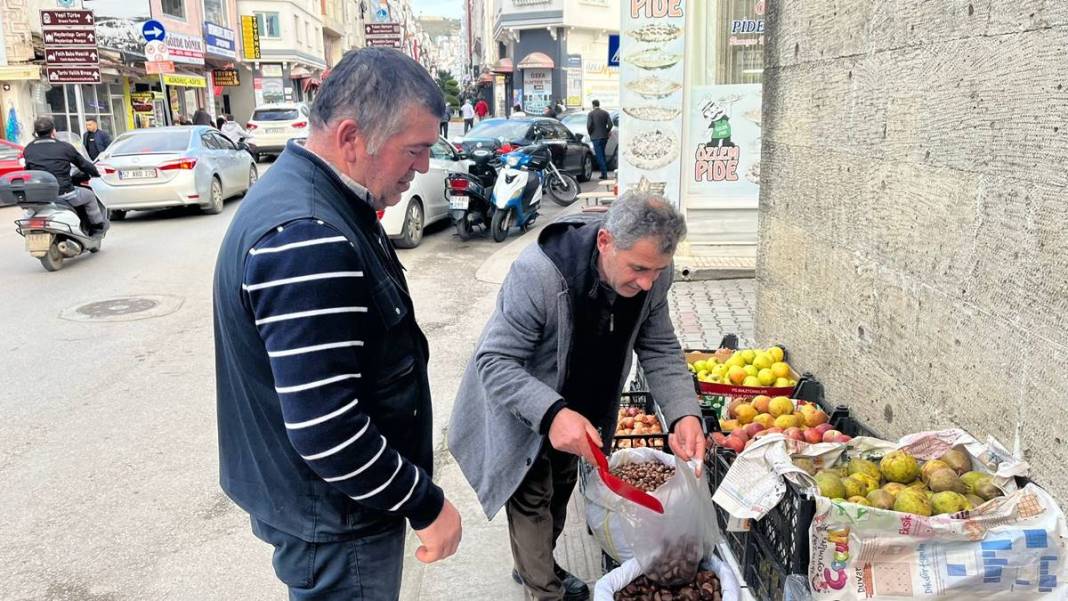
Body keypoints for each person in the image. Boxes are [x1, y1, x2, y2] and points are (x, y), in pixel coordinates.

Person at [213, 47, 462, 600]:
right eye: (415, 150)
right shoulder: (308, 233)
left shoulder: (324, 198)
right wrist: (425, 504)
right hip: (339, 523)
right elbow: (326, 427)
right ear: (352, 138)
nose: (422, 167)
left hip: (337, 511)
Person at [448, 192, 704, 601]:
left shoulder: (654, 275)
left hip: (585, 407)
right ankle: (543, 588)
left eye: (658, 270)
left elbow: (658, 346)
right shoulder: (539, 274)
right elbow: (494, 360)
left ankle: (538, 564)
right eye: (638, 269)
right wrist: (551, 415)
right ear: (605, 242)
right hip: (527, 408)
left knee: (562, 486)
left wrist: (683, 414)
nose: (647, 283)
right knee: (533, 496)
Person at [23, 117, 105, 234]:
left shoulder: (28, 149)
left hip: (40, 195)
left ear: (36, 132)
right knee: (89, 195)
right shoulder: (64, 147)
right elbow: (83, 164)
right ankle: (97, 226)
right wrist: (96, 172)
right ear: (53, 131)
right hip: (64, 193)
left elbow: (28, 170)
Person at [586, 100, 613, 180]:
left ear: (593, 105)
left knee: (599, 156)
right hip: (604, 137)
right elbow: (610, 124)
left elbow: (589, 126)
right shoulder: (605, 113)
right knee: (602, 154)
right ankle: (604, 173)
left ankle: (604, 174)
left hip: (595, 137)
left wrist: (591, 133)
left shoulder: (591, 114)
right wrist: (606, 131)